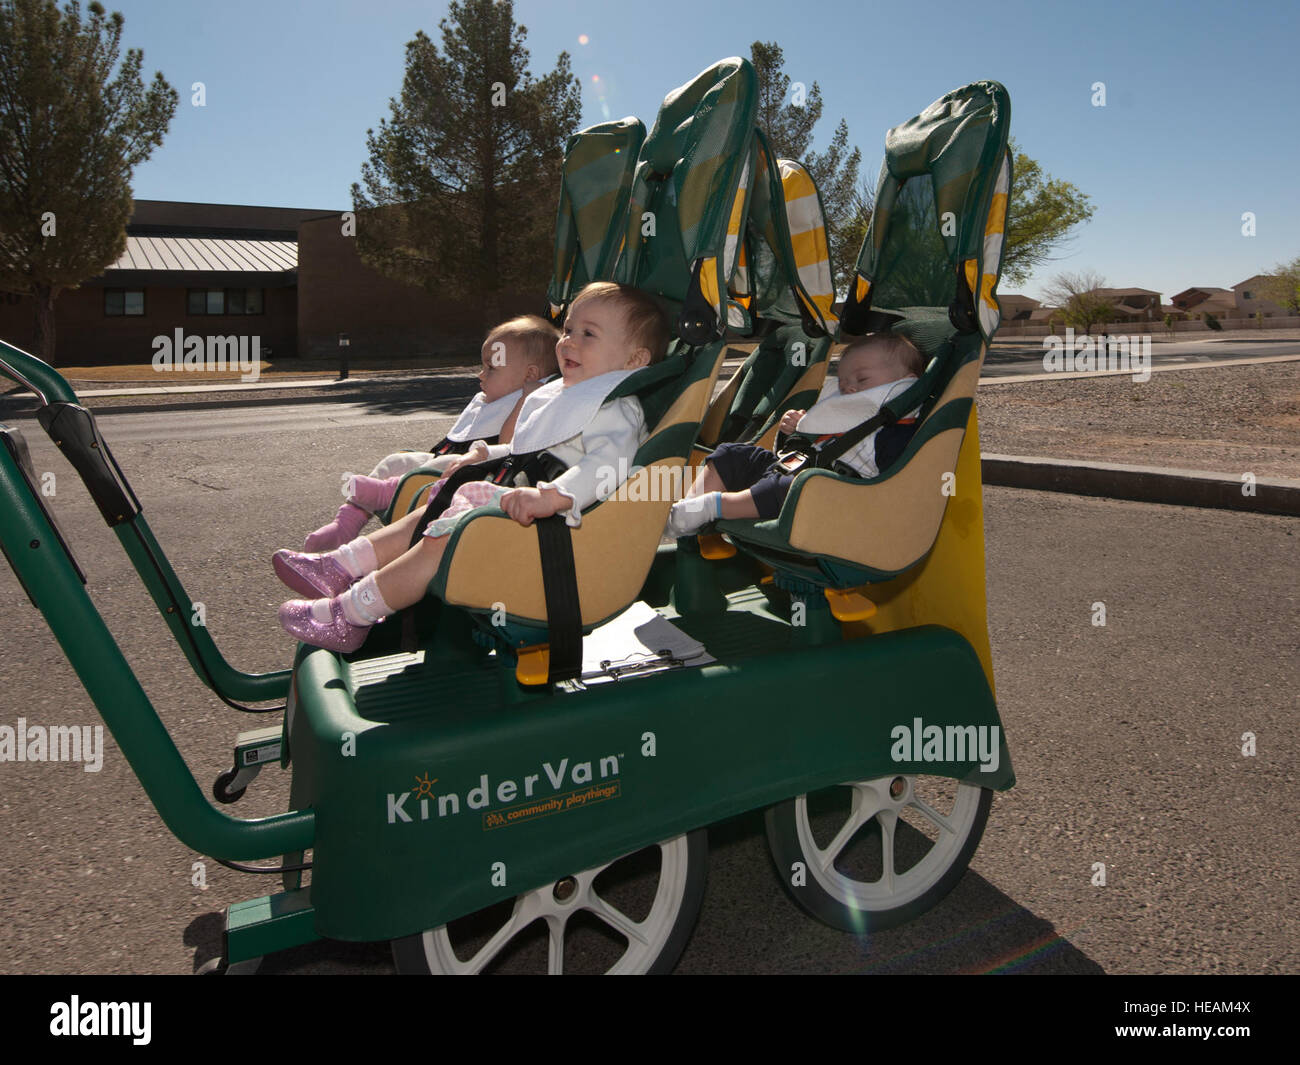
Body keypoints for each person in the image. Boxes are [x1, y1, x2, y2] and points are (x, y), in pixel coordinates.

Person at [274, 282, 670, 652]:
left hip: (555, 529)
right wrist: (487, 455)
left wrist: (552, 496)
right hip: (523, 504)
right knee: (435, 507)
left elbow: (605, 467)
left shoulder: (615, 407)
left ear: (634, 360)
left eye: (589, 334)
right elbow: (531, 448)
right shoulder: (571, 395)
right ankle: (341, 564)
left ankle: (353, 615)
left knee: (442, 537)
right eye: (568, 329)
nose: (568, 341)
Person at [303, 315, 560, 551]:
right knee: (395, 461)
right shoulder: (486, 399)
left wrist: (527, 396)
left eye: (491, 368)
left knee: (446, 463)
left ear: (530, 375)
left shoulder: (528, 401)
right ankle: (347, 522)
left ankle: (387, 493)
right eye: (482, 366)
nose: (480, 374)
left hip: (476, 469)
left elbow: (507, 445)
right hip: (443, 460)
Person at [666, 332, 925, 537]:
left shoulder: (896, 429)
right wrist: (795, 433)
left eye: (862, 379)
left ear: (905, 384)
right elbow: (802, 452)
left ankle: (712, 506)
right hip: (796, 468)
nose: (848, 387)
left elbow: (894, 478)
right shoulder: (845, 415)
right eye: (844, 380)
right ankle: (690, 514)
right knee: (733, 453)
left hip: (834, 496)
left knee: (793, 486)